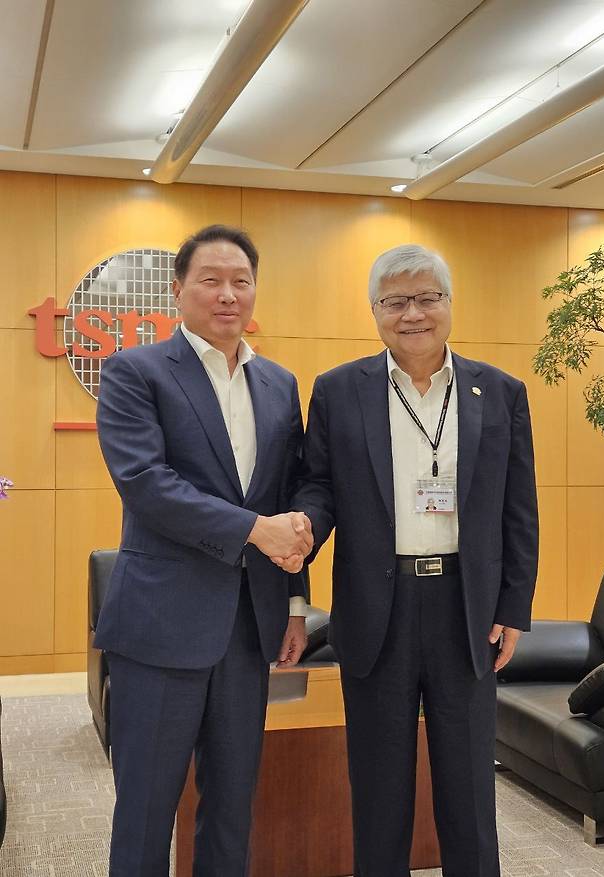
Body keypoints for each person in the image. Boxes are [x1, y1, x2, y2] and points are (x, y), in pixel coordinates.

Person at [290, 244, 539, 877]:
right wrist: (300, 539)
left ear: (449, 304)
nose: (413, 314)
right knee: (378, 788)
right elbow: (317, 486)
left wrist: (513, 606)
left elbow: (519, 510)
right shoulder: (340, 390)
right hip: (379, 608)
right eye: (395, 301)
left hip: (466, 609)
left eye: (427, 298)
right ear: (375, 310)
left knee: (469, 790)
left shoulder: (501, 392)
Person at [94, 224, 312, 876]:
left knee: (232, 805)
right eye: (211, 280)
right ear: (178, 288)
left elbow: (290, 491)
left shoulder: (278, 382)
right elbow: (147, 484)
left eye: (240, 281)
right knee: (145, 810)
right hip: (161, 629)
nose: (227, 294)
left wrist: (296, 600)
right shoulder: (134, 371)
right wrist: (254, 529)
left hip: (249, 630)